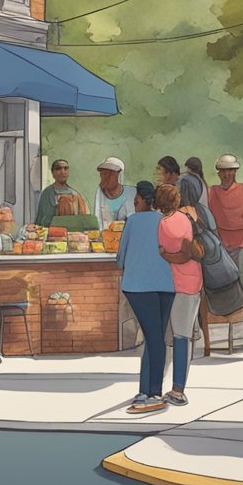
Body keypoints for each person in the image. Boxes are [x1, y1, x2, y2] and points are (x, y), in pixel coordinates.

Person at [116, 180, 174, 414]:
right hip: (166, 285)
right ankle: (147, 389)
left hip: (139, 286)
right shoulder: (165, 221)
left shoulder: (132, 221)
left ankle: (152, 393)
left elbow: (121, 257)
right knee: (155, 336)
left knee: (153, 338)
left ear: (140, 199)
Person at [144, 183, 199, 406]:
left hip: (177, 284)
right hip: (193, 281)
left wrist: (164, 255)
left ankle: (176, 390)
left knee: (178, 337)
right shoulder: (183, 218)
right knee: (181, 336)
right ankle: (175, 386)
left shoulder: (163, 225)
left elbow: (182, 254)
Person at [208, 154, 243, 296]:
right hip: (221, 243)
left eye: (230, 170)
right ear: (218, 172)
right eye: (223, 170)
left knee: (241, 275)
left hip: (241, 242)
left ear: (235, 171)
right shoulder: (212, 192)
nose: (227, 174)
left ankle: (242, 306)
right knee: (225, 279)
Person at [35, 159, 88, 226]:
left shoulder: (75, 195)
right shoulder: (47, 193)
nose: (63, 172)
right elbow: (40, 221)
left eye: (65, 168)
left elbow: (84, 220)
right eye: (58, 168)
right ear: (52, 173)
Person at [94, 156, 136, 226]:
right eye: (103, 174)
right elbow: (98, 219)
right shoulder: (100, 192)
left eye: (109, 174)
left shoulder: (132, 193)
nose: (105, 177)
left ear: (119, 176)